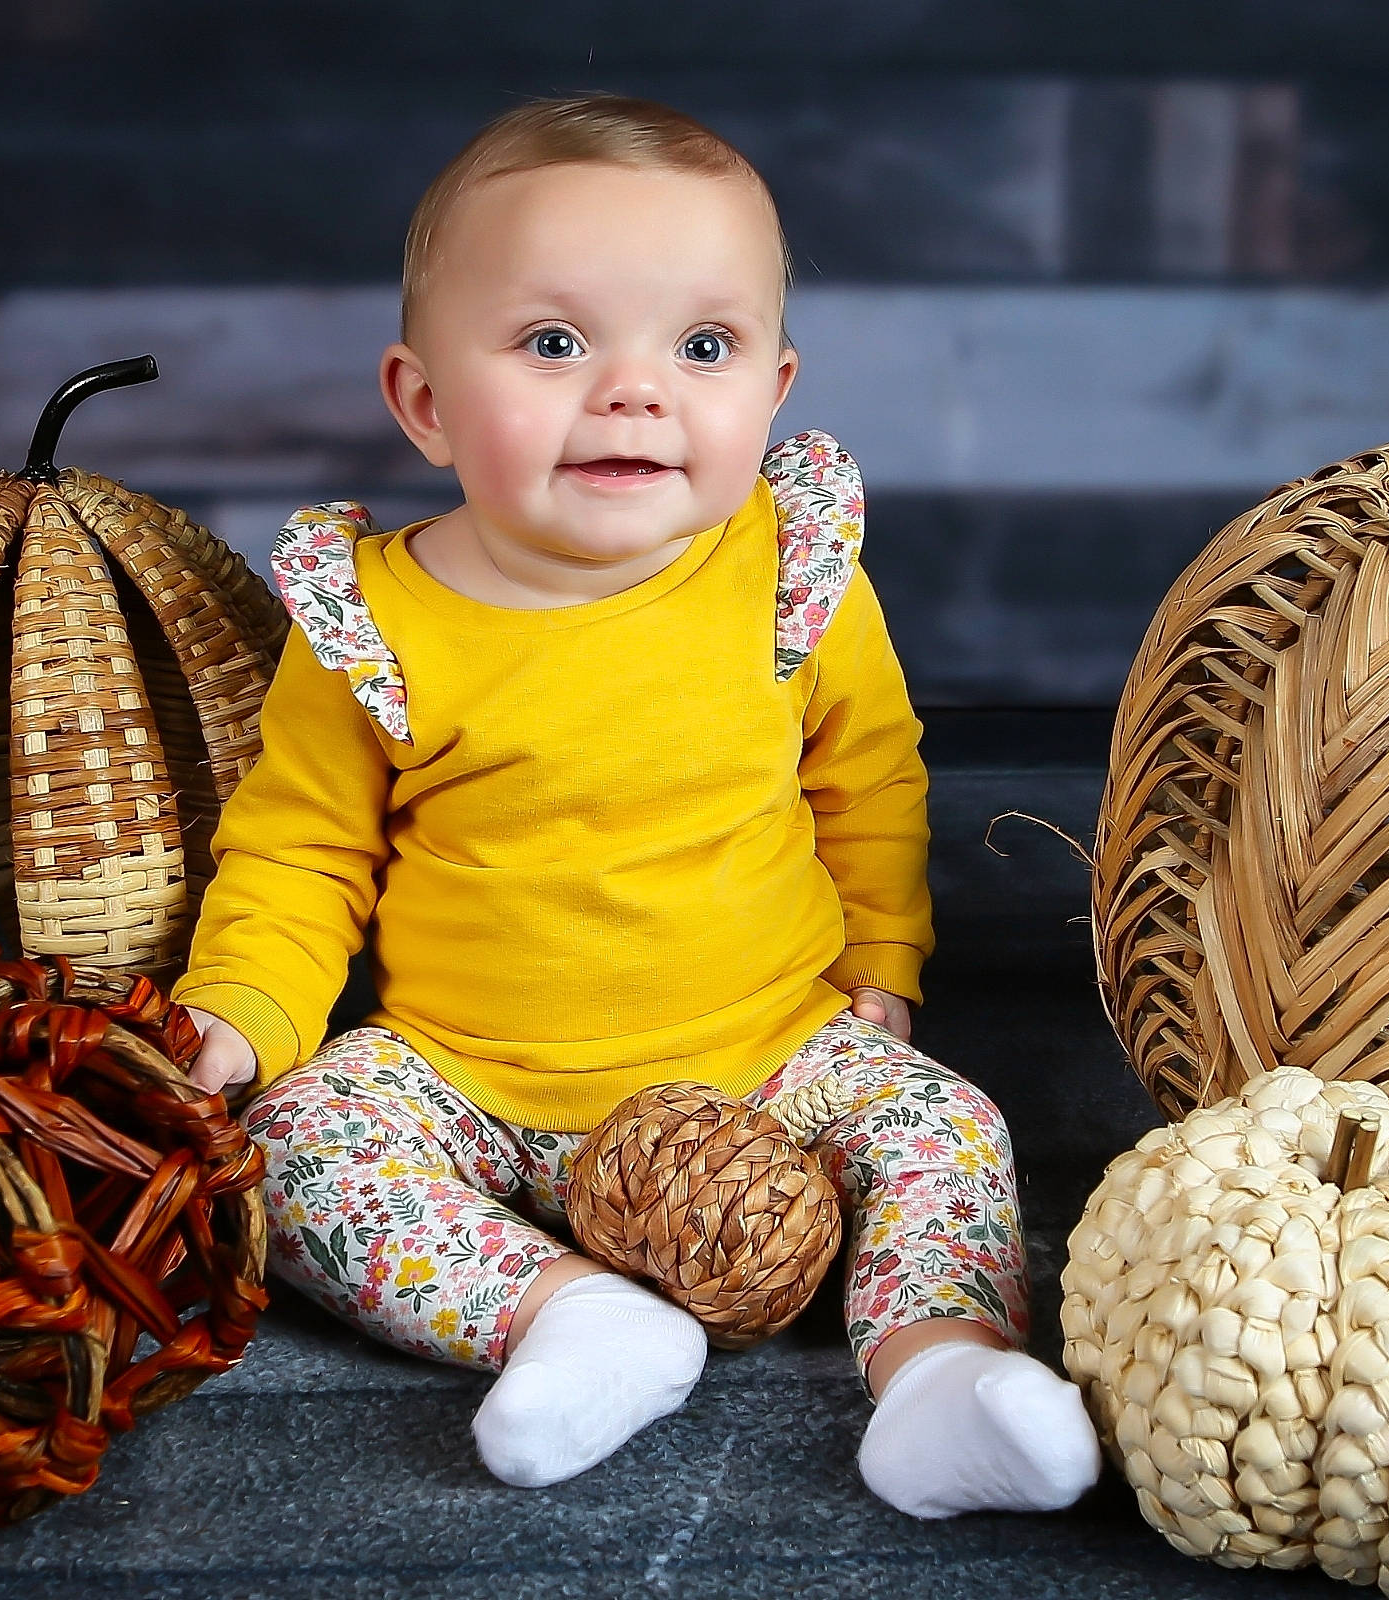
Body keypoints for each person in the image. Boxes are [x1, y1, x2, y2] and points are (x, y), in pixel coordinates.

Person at [169, 94, 1099, 1515]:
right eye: (554, 343)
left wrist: (881, 964)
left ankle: (938, 1376)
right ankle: (569, 1319)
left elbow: (868, 779)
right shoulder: (373, 618)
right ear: (423, 402)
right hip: (466, 1078)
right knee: (291, 1158)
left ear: (774, 391)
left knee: (949, 1131)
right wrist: (237, 1010)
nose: (634, 388)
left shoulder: (793, 575)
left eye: (702, 346)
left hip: (771, 1049)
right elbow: (300, 850)